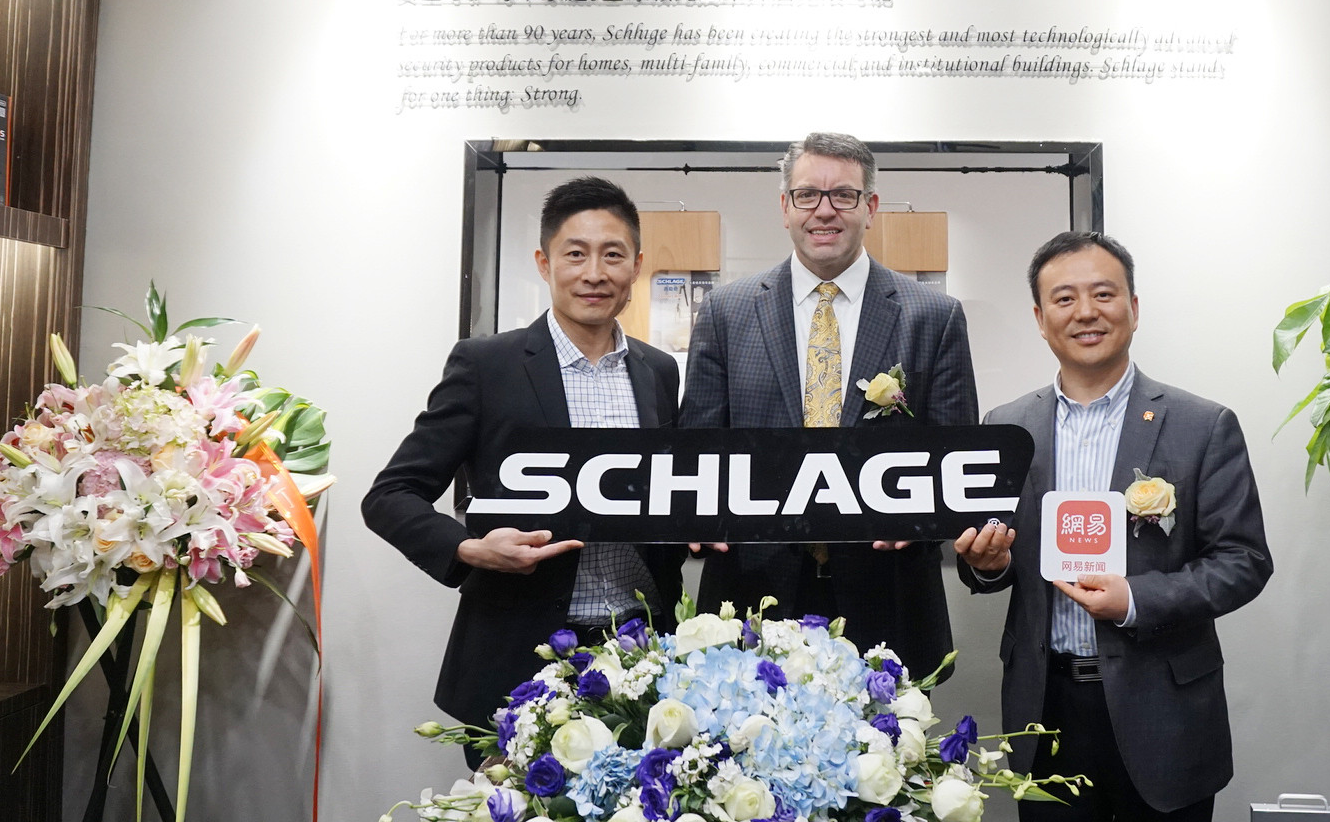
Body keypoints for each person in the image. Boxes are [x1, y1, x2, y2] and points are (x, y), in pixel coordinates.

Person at [362, 176, 685, 763]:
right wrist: (469, 550)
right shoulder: (487, 365)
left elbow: (666, 492)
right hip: (521, 656)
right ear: (544, 263)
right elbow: (391, 495)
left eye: (613, 255)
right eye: (575, 254)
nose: (594, 273)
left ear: (637, 265)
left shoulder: (658, 371)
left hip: (642, 655)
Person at [955, 231, 1271, 821]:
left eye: (1103, 294)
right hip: (1044, 707)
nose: (1086, 312)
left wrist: (1136, 600)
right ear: (1041, 319)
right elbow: (992, 560)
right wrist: (989, 566)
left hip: (1163, 708)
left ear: (1133, 307)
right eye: (1064, 298)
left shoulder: (1202, 425)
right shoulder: (1007, 426)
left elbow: (1244, 561)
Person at [679, 131, 977, 678]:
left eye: (843, 195)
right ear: (785, 207)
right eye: (807, 195)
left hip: (888, 598)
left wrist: (927, 520)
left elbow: (954, 458)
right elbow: (698, 448)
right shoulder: (726, 312)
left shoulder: (933, 317)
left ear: (871, 207)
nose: (824, 210)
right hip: (753, 601)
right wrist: (697, 514)